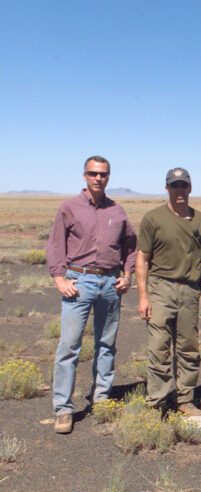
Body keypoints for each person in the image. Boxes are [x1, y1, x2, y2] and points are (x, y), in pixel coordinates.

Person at [46, 155, 137, 434]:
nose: (99, 178)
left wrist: (127, 275)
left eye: (104, 174)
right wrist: (59, 278)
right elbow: (56, 244)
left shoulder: (118, 211)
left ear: (109, 177)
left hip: (110, 284)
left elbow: (131, 246)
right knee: (69, 347)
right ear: (84, 176)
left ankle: (101, 398)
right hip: (79, 281)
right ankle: (63, 408)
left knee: (106, 344)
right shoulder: (69, 208)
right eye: (93, 173)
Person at [136, 167, 201, 416]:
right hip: (162, 288)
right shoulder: (153, 219)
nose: (179, 190)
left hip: (191, 291)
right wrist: (143, 296)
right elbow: (142, 259)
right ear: (167, 189)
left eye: (183, 185)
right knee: (159, 346)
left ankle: (184, 399)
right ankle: (157, 401)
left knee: (188, 348)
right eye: (174, 185)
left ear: (190, 188)